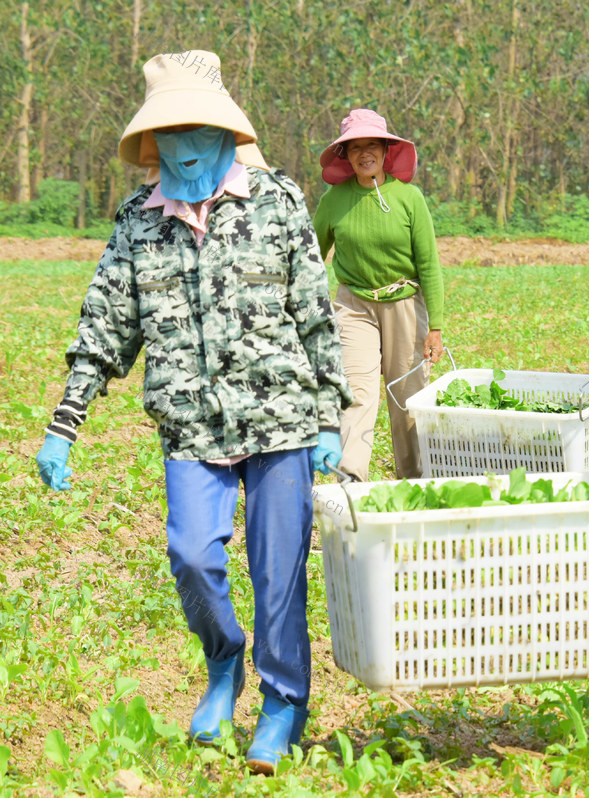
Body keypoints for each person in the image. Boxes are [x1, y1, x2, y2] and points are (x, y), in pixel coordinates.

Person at [33, 50, 352, 775]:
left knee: (278, 574)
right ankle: (223, 664)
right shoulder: (138, 224)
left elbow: (313, 309)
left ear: (221, 132)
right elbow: (105, 323)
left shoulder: (278, 201)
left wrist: (330, 410)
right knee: (193, 555)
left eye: (194, 129)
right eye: (168, 133)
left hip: (283, 421)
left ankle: (284, 703)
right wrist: (64, 424)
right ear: (154, 143)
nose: (182, 145)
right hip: (192, 426)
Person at [312, 109, 444, 481]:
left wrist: (435, 325)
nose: (364, 153)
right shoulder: (334, 201)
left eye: (372, 145)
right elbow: (310, 258)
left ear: (386, 150)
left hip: (404, 303)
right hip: (354, 306)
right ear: (345, 155)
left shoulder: (409, 198)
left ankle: (415, 481)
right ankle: (351, 482)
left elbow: (429, 264)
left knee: (408, 397)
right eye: (355, 148)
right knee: (356, 392)